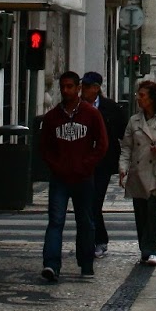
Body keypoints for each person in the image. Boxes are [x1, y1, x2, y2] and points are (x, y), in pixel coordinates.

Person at [38, 70, 108, 283]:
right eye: (63, 87)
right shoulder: (52, 117)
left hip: (83, 178)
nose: (65, 91)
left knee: (85, 221)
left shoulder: (91, 114)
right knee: (55, 221)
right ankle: (51, 264)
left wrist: (86, 165)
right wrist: (56, 166)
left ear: (78, 88)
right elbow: (44, 147)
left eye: (70, 86)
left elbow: (102, 144)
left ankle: (86, 263)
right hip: (60, 178)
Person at [119, 79, 156, 266]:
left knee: (153, 212)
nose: (138, 98)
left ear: (152, 99)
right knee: (141, 214)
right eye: (138, 95)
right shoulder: (134, 121)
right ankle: (144, 249)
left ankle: (152, 250)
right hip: (137, 173)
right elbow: (126, 147)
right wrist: (122, 168)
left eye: (142, 95)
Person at [80, 70, 127, 258]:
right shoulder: (77, 107)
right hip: (82, 163)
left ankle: (98, 240)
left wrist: (124, 163)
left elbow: (124, 134)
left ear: (96, 88)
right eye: (82, 86)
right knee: (86, 203)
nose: (83, 90)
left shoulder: (111, 108)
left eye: (86, 87)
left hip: (103, 163)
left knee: (95, 202)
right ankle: (92, 240)